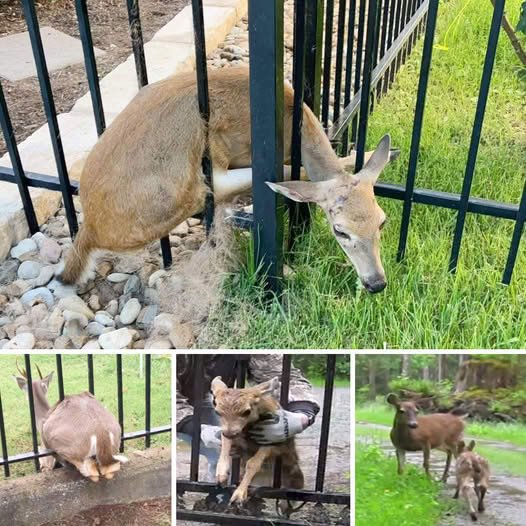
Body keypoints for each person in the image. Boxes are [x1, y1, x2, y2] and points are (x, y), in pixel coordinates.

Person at [176, 354, 320, 480]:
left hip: (226, 407)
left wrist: (301, 416)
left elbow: (284, 376)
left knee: (234, 453)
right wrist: (197, 429)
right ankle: (214, 494)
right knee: (219, 453)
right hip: (189, 407)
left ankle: (233, 496)